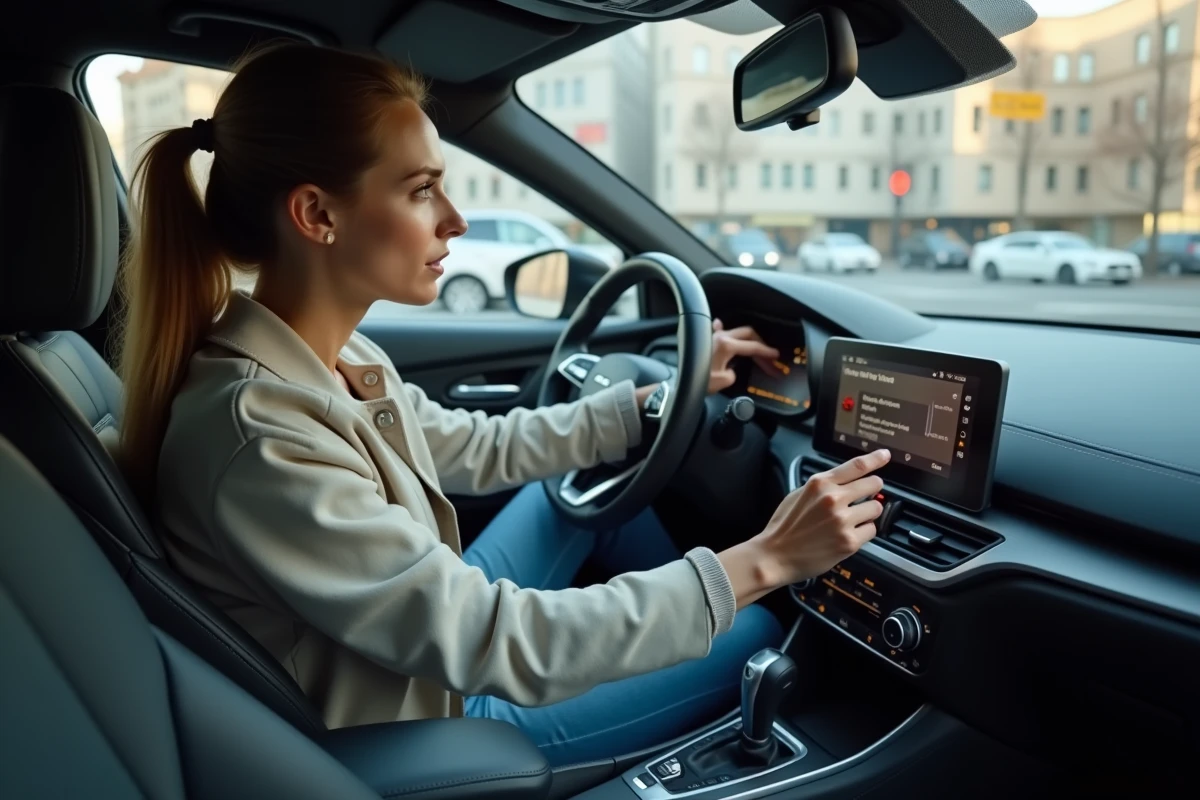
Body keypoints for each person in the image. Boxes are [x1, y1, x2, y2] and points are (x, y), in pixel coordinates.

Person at [117, 42, 889, 767]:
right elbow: (496, 638)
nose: (455, 219)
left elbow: (477, 449)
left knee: (595, 506)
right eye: (422, 190)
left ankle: (673, 622)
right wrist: (764, 561)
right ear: (318, 215)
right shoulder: (260, 433)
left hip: (422, 649)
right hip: (430, 721)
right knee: (759, 623)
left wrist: (652, 406)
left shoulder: (337, 357)